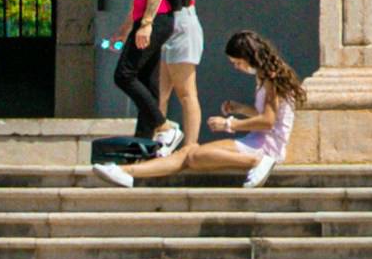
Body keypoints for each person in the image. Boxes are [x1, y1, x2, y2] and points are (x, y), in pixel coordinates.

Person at [105, 35, 300, 188]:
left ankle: (257, 161)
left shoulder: (271, 78)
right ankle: (126, 171)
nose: (237, 67)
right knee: (189, 150)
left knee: (194, 156)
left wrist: (229, 124)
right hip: (257, 140)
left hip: (266, 147)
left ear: (249, 56)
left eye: (237, 62)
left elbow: (268, 121)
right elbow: (265, 115)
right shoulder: (266, 76)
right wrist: (241, 108)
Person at [106, 0, 201, 165]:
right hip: (148, 20)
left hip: (157, 20)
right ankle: (141, 150)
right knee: (148, 85)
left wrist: (146, 24)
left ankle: (165, 128)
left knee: (123, 75)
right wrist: (128, 27)